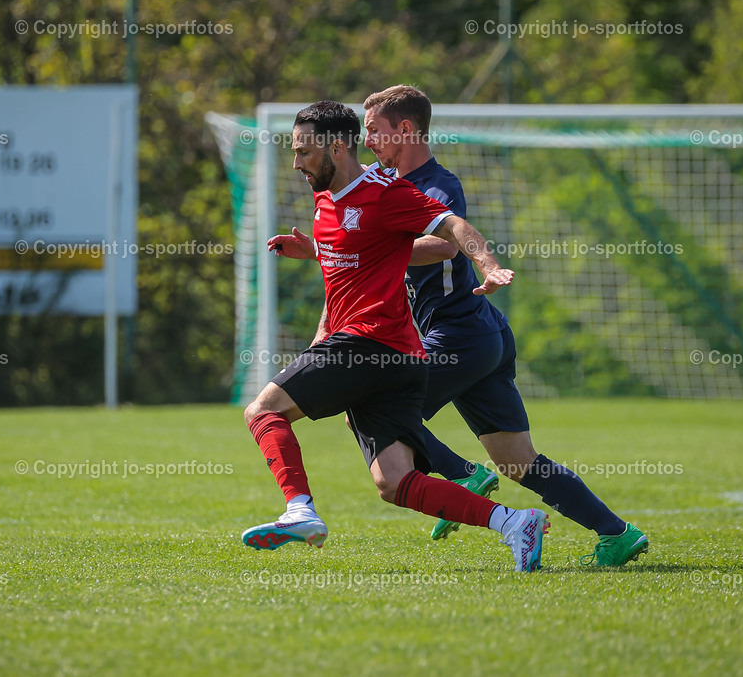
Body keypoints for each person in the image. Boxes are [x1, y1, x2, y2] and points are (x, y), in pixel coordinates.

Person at [241, 100, 549, 572]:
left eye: (304, 151)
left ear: (336, 148)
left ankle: (299, 510)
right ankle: (514, 523)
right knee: (395, 482)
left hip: (369, 344)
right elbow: (352, 259)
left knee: (263, 411)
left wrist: (487, 265)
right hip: (398, 357)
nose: (296, 162)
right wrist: (314, 253)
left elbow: (452, 226)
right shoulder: (325, 200)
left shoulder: (384, 192)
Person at [359, 84, 648, 567]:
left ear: (405, 129)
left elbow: (446, 244)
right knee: (518, 460)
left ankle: (462, 473)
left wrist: (372, 250)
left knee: (372, 406)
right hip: (480, 335)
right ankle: (617, 533)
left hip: (459, 335)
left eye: (373, 130)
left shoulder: (436, 184)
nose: (367, 140)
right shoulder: (386, 184)